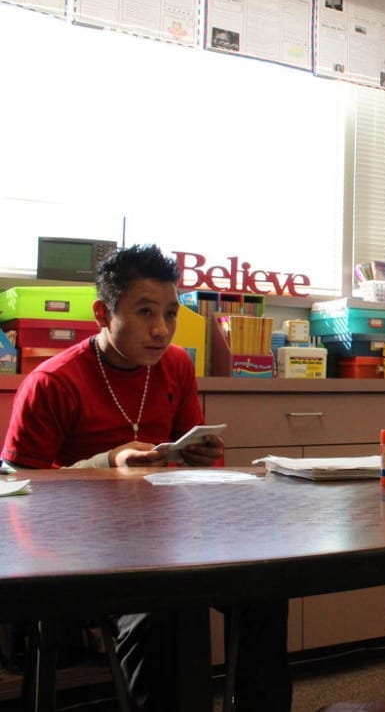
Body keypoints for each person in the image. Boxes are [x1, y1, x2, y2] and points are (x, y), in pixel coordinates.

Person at [1, 244, 291, 711]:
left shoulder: (174, 365)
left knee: (266, 585)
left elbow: (189, 461)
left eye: (171, 314)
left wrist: (198, 455)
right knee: (168, 607)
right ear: (103, 313)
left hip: (167, 534)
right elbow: (17, 489)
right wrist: (106, 463)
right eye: (144, 312)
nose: (161, 330)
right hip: (81, 548)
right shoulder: (53, 381)